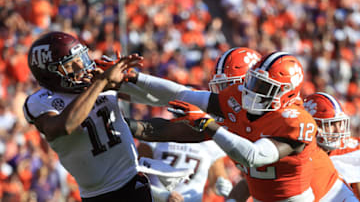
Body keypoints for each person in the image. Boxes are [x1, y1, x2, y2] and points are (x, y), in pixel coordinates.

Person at [121, 51, 356, 201]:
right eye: (251, 82)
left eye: (260, 85)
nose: (249, 91)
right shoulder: (240, 103)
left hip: (325, 196)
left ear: (285, 92)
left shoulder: (295, 120)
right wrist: (132, 80)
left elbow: (253, 157)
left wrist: (209, 124)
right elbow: (181, 98)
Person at [22, 31, 152, 202]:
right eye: (69, 64)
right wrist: (101, 82)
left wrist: (133, 79)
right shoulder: (41, 101)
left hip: (134, 182)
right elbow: (65, 125)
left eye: (80, 58)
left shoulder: (96, 77)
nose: (81, 66)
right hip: (98, 195)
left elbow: (149, 97)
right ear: (50, 73)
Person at [304, 92, 360, 200]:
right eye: (330, 124)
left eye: (339, 123)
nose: (338, 130)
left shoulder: (352, 150)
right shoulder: (299, 155)